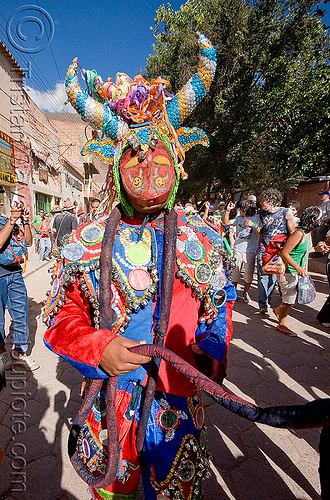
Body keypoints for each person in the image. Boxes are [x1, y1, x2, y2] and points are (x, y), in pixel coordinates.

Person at [44, 33, 238, 500]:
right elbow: (61, 317)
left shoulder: (202, 242)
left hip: (179, 409)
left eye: (158, 152)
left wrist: (207, 357)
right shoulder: (88, 243)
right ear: (114, 163)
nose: (146, 164)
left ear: (177, 157)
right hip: (111, 410)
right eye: (133, 152)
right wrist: (99, 347)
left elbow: (220, 310)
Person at [0, 202, 39, 371]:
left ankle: (20, 354)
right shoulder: (8, 221)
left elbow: (28, 243)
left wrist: (24, 221)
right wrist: (12, 220)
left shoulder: (7, 220)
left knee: (21, 315)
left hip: (15, 274)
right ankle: (2, 353)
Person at [273, 206, 321, 336]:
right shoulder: (298, 234)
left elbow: (302, 251)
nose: (320, 222)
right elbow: (285, 253)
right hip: (289, 272)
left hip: (298, 273)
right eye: (319, 219)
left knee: (296, 299)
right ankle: (282, 325)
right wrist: (298, 268)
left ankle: (278, 311)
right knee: (288, 300)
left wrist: (317, 249)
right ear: (313, 220)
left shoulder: (307, 234)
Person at [257, 188, 296, 313]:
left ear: (270, 201)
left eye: (262, 201)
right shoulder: (262, 214)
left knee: (273, 279)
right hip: (263, 250)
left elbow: (293, 233)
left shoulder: (286, 212)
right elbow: (262, 231)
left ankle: (268, 299)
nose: (260, 203)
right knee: (262, 276)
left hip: (278, 253)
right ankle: (263, 304)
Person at [223, 200, 261, 302]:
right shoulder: (239, 218)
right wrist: (228, 210)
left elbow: (262, 232)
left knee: (248, 275)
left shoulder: (257, 218)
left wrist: (254, 225)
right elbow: (226, 223)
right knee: (235, 273)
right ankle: (233, 294)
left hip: (250, 251)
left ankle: (245, 292)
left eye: (242, 209)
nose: (240, 211)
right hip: (237, 249)